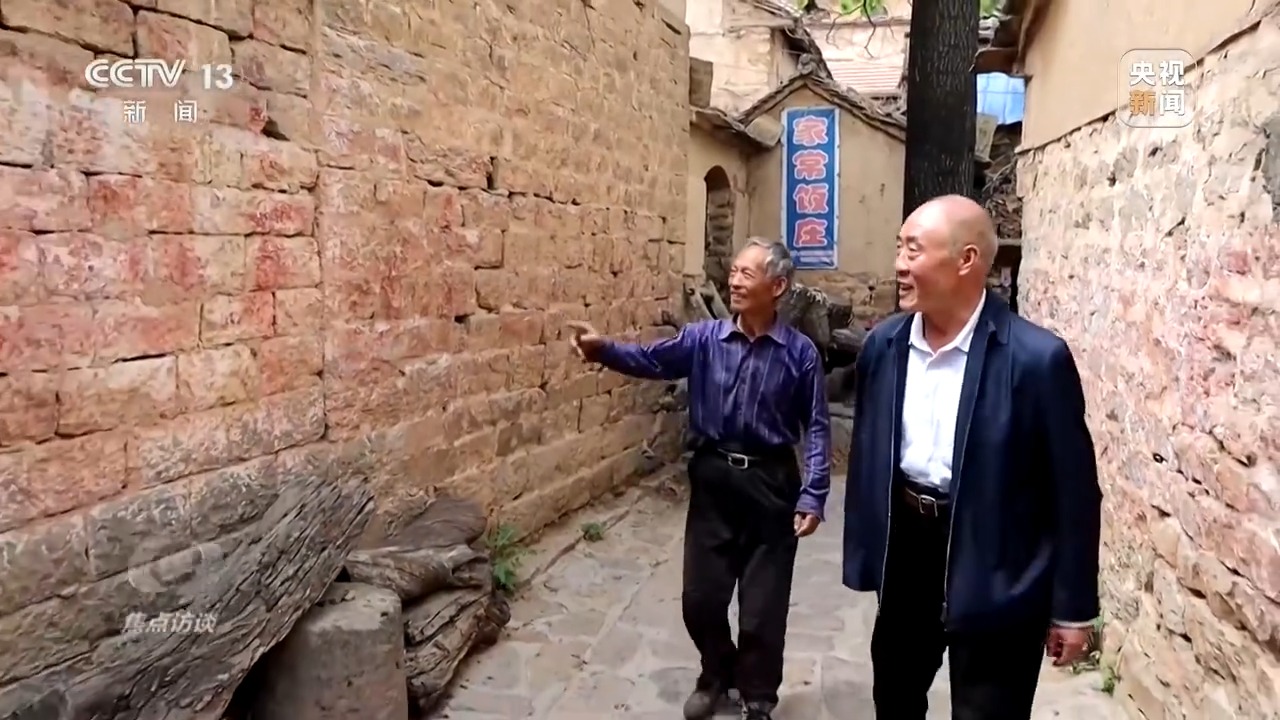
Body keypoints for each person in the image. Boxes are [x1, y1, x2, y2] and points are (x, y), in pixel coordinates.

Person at [841, 195, 1102, 719]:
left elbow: (1074, 493)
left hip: (1000, 562)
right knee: (894, 697)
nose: (899, 264)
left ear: (966, 260)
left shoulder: (1036, 359)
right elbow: (871, 451)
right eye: (899, 248)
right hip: (909, 551)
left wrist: (1073, 609)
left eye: (914, 250)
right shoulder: (885, 346)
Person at [569, 238, 830, 720]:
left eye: (747, 274)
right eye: (733, 272)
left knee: (762, 608)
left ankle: (758, 696)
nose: (734, 281)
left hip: (772, 483)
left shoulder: (801, 354)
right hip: (714, 478)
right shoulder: (703, 339)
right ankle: (716, 672)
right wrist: (602, 350)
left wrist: (813, 495)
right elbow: (650, 359)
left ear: (777, 286)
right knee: (700, 600)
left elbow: (816, 425)